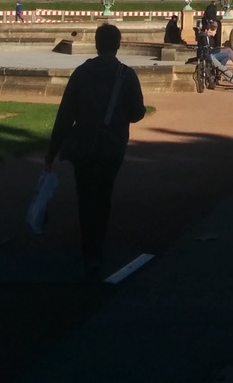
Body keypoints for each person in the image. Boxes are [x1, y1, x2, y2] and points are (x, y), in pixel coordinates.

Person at [45, 22, 147, 279]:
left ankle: (88, 246)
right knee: (103, 195)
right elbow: (137, 113)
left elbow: (65, 115)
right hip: (112, 145)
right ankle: (96, 249)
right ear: (118, 45)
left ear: (96, 45)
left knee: (85, 196)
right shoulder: (126, 74)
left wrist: (52, 151)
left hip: (83, 144)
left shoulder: (81, 73)